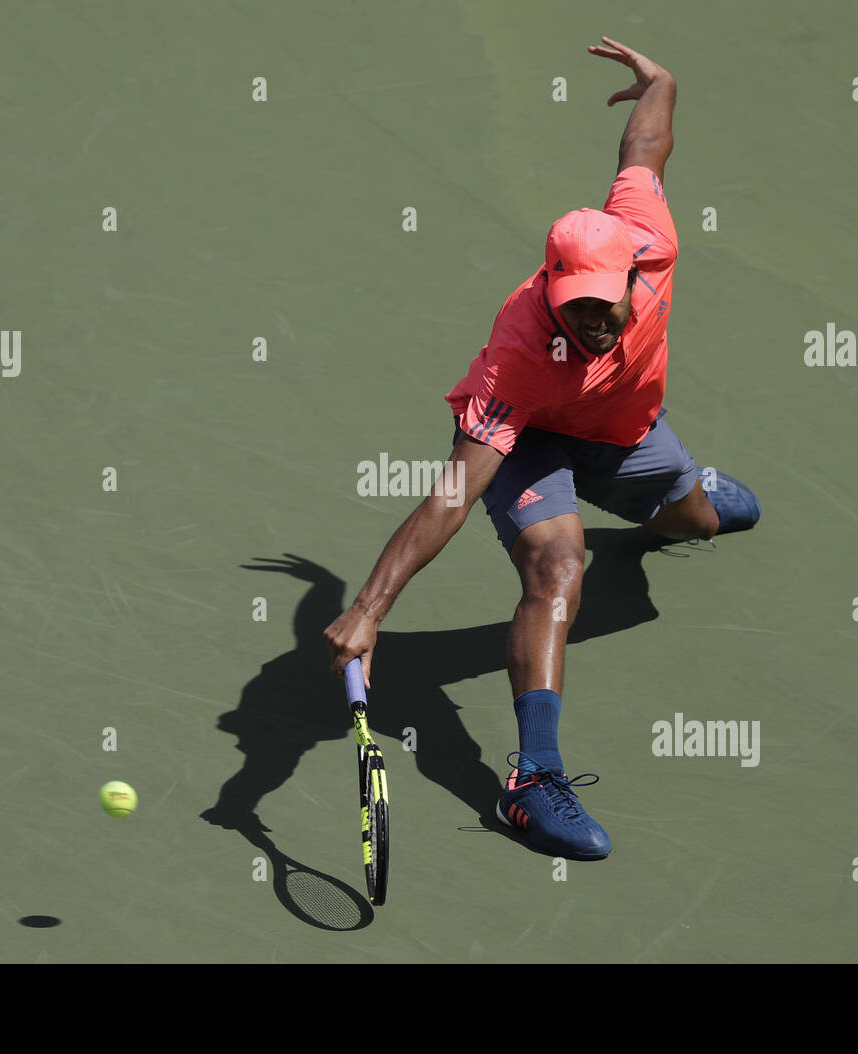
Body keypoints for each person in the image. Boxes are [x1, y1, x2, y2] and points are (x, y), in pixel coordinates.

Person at [323, 38, 760, 861]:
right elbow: (452, 495)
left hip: (626, 434)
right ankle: (531, 782)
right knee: (558, 567)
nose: (593, 321)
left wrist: (662, 82)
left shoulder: (649, 236)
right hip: (529, 443)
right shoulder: (516, 355)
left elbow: (644, 147)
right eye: (576, 305)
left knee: (695, 523)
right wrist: (368, 609)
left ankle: (688, 501)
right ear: (553, 286)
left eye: (606, 305)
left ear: (636, 275)